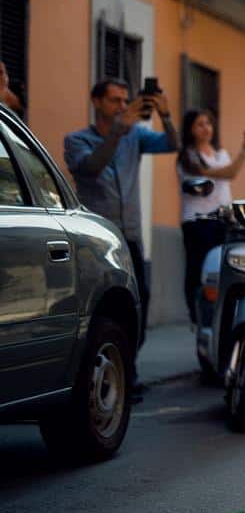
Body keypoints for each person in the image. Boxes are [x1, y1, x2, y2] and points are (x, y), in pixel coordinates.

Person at [64, 77, 179, 399]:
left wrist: (166, 115)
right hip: (96, 241)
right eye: (115, 100)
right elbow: (91, 167)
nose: (122, 106)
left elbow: (172, 145)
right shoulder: (76, 140)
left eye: (125, 100)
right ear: (96, 101)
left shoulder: (135, 136)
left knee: (137, 308)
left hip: (130, 239)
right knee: (103, 311)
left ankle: (128, 369)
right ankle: (102, 373)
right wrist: (118, 130)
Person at [176, 109, 245, 324]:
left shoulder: (220, 155)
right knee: (198, 269)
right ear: (190, 129)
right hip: (197, 221)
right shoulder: (187, 157)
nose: (206, 128)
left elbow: (228, 173)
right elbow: (229, 173)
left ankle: (223, 311)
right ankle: (197, 315)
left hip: (223, 220)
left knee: (223, 267)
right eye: (199, 124)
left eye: (208, 123)